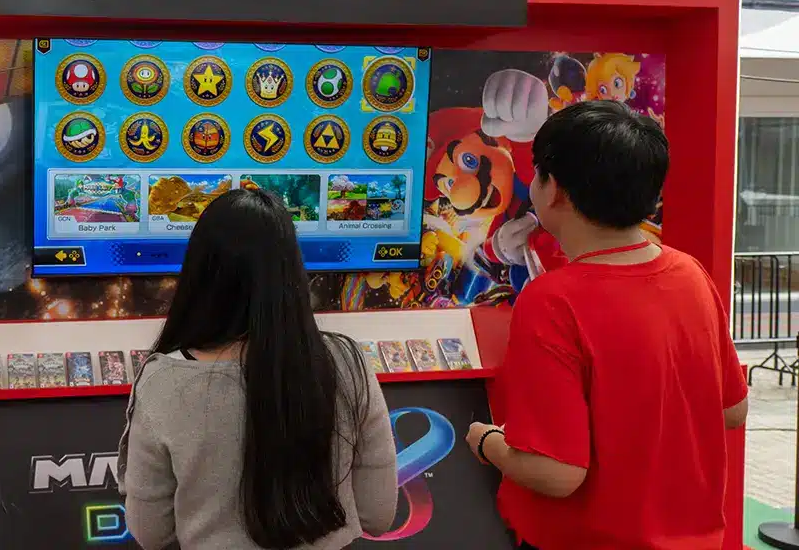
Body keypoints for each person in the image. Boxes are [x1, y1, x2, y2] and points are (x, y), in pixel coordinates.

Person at [465, 100, 749, 550]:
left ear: (554, 191)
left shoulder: (552, 300)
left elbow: (557, 473)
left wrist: (486, 443)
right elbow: (732, 409)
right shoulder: (690, 274)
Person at [117, 188, 398, 549]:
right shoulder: (346, 360)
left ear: (200, 271)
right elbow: (377, 513)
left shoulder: (162, 381)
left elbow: (151, 532)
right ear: (291, 267)